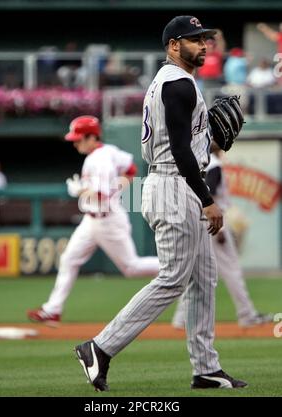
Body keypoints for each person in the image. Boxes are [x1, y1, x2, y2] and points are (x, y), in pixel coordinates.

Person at [73, 16, 247, 392]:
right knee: (172, 279)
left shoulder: (171, 82)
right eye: (194, 40)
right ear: (173, 45)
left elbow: (183, 140)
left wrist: (205, 135)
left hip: (170, 180)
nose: (203, 45)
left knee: (204, 279)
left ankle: (206, 369)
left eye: (204, 40)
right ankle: (100, 347)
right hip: (175, 184)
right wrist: (207, 199)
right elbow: (182, 151)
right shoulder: (179, 83)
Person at [27, 115, 159, 326]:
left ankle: (174, 269)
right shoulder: (110, 151)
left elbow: (101, 195)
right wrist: (117, 187)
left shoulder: (99, 159)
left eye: (79, 139)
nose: (75, 143)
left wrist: (81, 191)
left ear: (92, 137)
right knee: (69, 259)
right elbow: (131, 169)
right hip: (91, 221)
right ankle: (53, 310)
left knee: (131, 267)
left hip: (108, 221)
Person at [172, 151, 273, 329]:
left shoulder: (196, 160)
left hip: (197, 220)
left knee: (195, 272)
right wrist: (219, 229)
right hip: (214, 223)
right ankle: (246, 314)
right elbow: (208, 192)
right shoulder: (214, 163)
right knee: (231, 269)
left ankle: (181, 319)